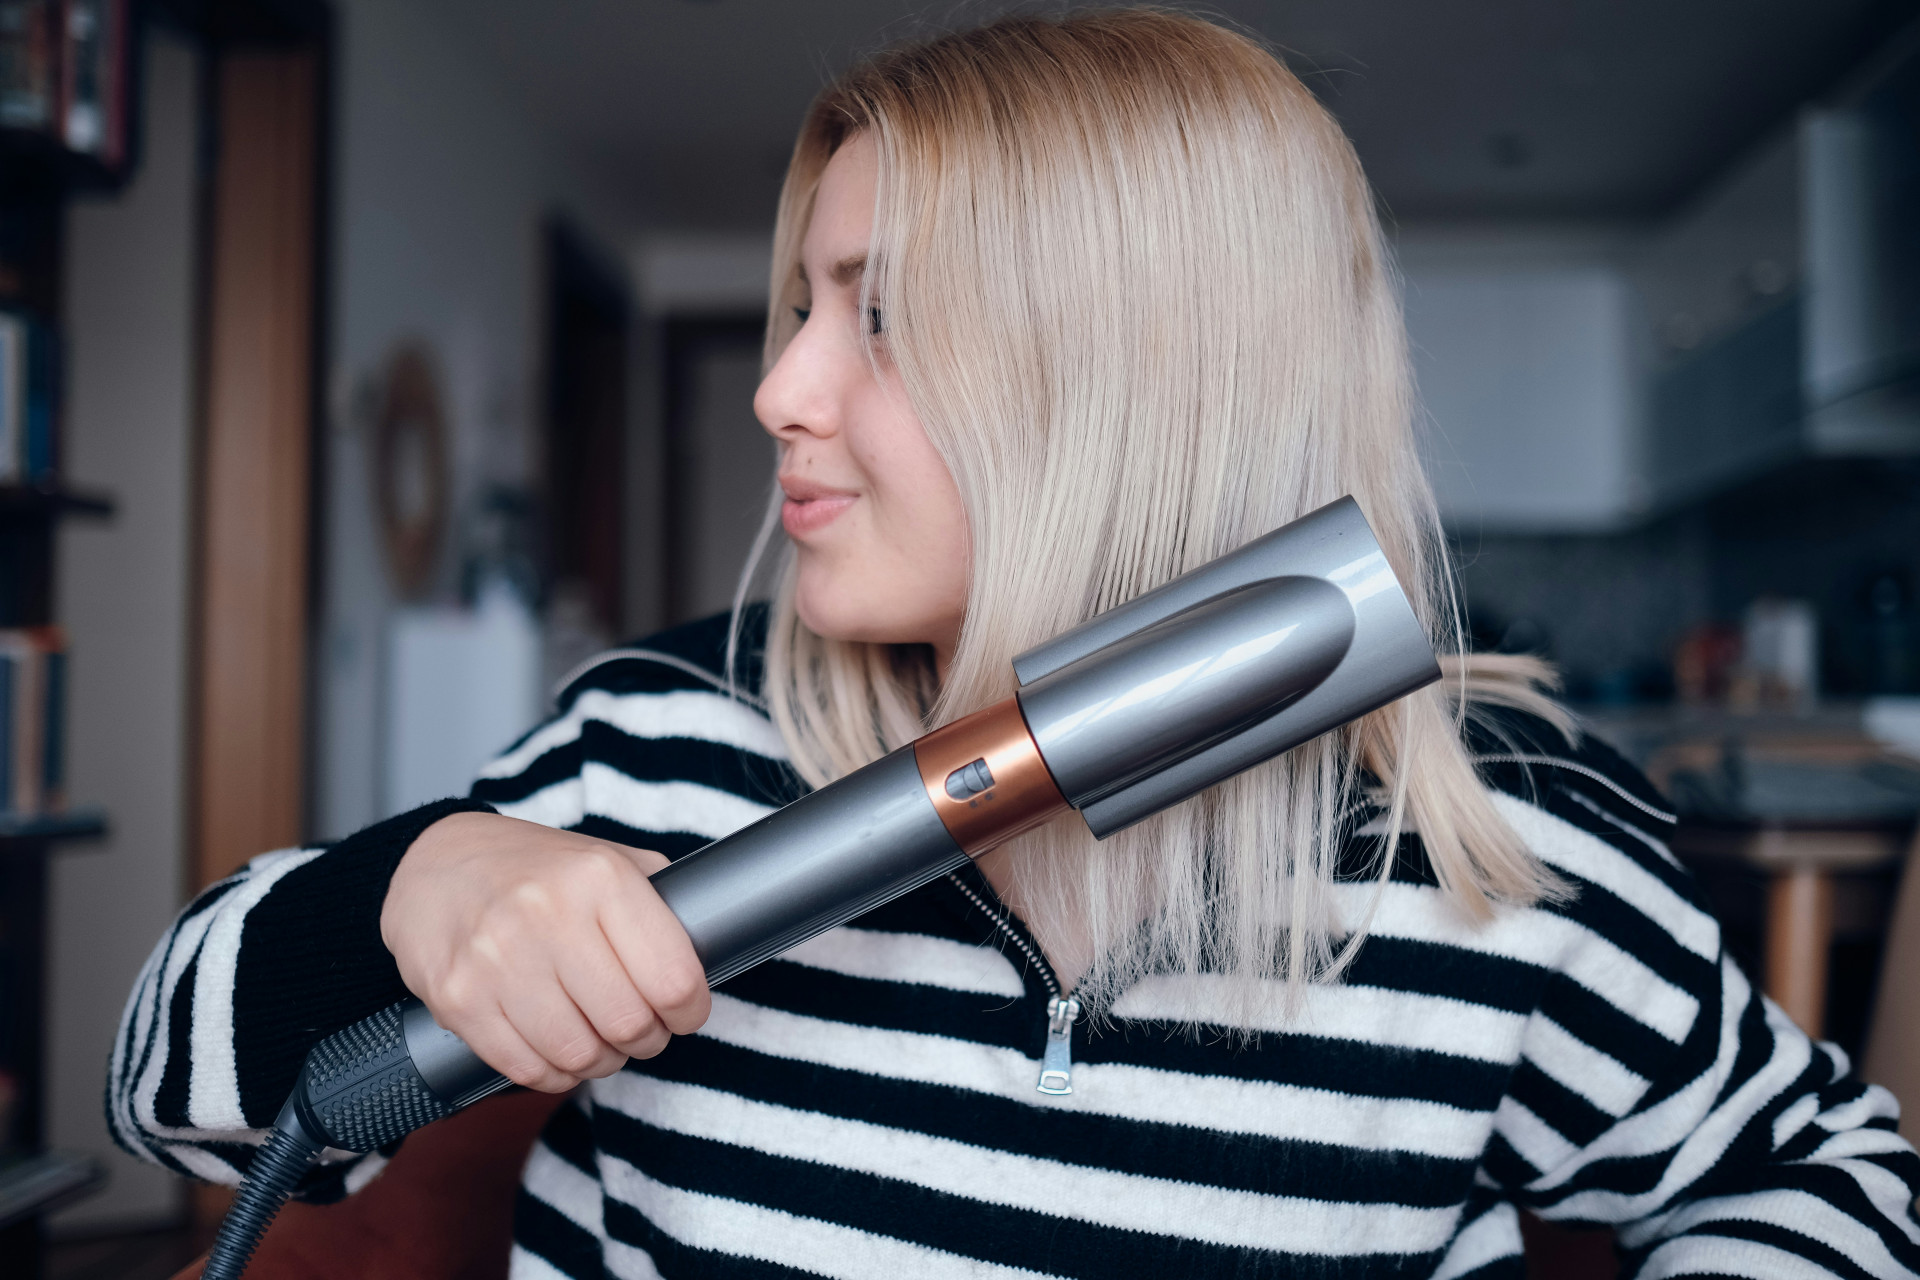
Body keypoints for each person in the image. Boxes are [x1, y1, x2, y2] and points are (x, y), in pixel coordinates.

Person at [110, 10, 1920, 1278]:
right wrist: (420, 887)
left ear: (1143, 381)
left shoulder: (1503, 856)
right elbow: (161, 1095)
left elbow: (1822, 1174)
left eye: (880, 316)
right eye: (800, 305)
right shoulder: (660, 749)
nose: (780, 387)